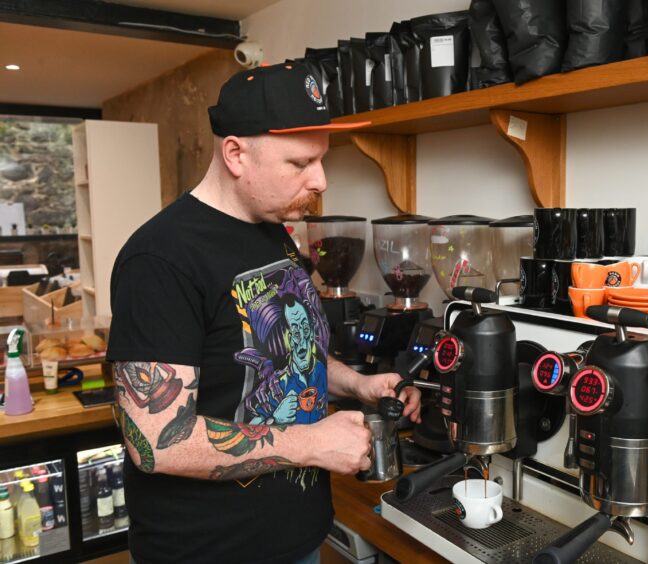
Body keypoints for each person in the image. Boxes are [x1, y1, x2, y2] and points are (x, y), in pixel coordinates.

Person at [106, 62, 422, 564]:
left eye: (321, 159)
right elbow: (155, 443)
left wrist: (354, 384)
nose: (320, 179)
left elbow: (289, 358)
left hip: (295, 539)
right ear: (235, 153)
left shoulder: (271, 226)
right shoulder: (161, 259)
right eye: (299, 164)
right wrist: (309, 444)